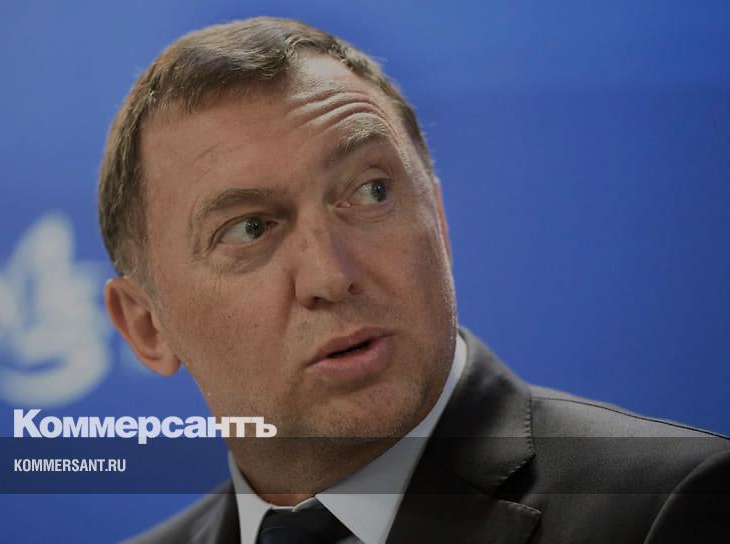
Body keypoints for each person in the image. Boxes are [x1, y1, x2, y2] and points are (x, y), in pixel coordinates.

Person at [97, 16, 729, 544]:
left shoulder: (675, 509)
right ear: (147, 326)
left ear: (439, 219)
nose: (330, 276)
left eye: (371, 191)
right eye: (250, 229)